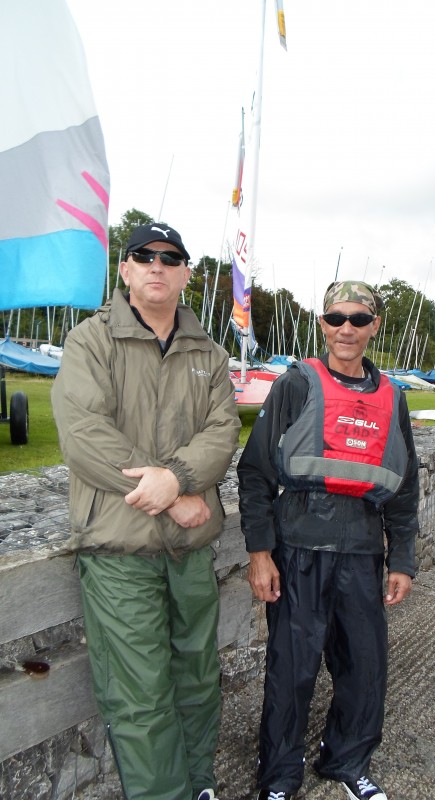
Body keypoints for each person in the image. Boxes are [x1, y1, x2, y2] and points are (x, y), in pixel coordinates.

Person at [51, 222, 241, 800]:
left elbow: (222, 431)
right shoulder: (91, 342)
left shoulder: (209, 353)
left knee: (198, 678)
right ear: (125, 269)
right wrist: (169, 492)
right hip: (119, 549)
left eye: (170, 257)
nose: (157, 265)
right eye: (144, 256)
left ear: (186, 273)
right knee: (141, 696)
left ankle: (200, 784)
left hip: (188, 549)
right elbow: (84, 433)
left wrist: (179, 480)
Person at [238, 281, 420, 800]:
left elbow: (405, 486)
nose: (347, 328)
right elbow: (254, 474)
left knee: (364, 668)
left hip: (362, 552)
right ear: (322, 323)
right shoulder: (296, 384)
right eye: (336, 317)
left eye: (359, 319)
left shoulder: (394, 397)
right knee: (291, 673)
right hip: (298, 549)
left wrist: (401, 558)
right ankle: (277, 777)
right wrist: (259, 553)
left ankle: (346, 761)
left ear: (374, 326)